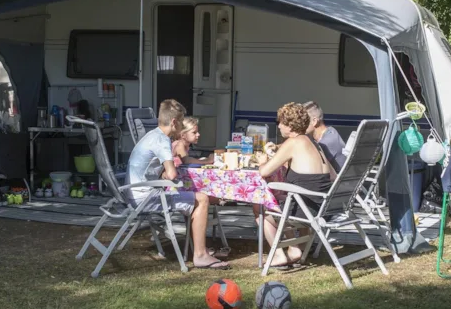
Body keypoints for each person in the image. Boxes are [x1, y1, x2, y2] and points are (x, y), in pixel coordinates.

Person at [127, 99, 228, 269]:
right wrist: (169, 172)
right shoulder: (163, 140)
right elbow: (172, 174)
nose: (182, 127)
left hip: (134, 193)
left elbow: (164, 171)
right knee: (201, 199)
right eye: (181, 122)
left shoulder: (152, 135)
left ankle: (196, 248)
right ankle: (200, 255)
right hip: (145, 197)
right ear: (174, 122)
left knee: (192, 196)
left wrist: (167, 172)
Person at [253, 102, 335, 268]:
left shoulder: (293, 142)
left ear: (289, 126)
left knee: (259, 203)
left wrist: (262, 162)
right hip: (322, 207)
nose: (278, 126)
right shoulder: (314, 143)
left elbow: (264, 172)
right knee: (281, 196)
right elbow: (333, 175)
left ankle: (279, 254)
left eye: (280, 123)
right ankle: (295, 248)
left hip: (306, 212)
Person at [303, 101, 347, 171]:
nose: (299, 125)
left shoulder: (326, 142)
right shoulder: (330, 130)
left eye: (303, 121)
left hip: (335, 180)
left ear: (314, 121)